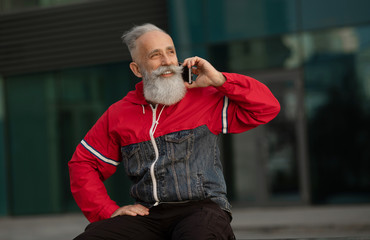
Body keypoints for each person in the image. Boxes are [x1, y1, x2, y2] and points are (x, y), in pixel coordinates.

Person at [69, 23, 280, 240]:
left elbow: (267, 107)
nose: (167, 61)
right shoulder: (118, 113)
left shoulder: (205, 97)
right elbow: (83, 164)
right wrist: (106, 210)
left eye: (170, 51)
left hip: (201, 209)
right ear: (136, 69)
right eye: (155, 55)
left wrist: (219, 80)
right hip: (148, 215)